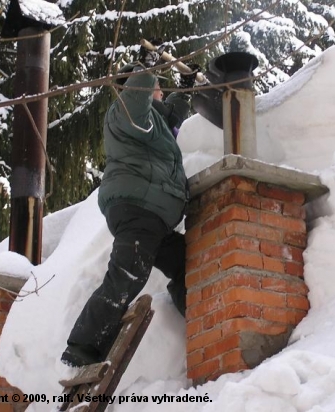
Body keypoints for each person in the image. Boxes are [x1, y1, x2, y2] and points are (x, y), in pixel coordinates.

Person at [61, 43, 200, 367]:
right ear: (138, 87)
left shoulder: (155, 124)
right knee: (127, 276)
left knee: (186, 262)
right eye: (156, 87)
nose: (161, 93)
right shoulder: (125, 113)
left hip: (154, 218)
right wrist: (145, 67)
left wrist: (186, 87)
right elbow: (137, 100)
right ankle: (82, 347)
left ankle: (199, 313)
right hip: (137, 208)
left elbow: (172, 116)